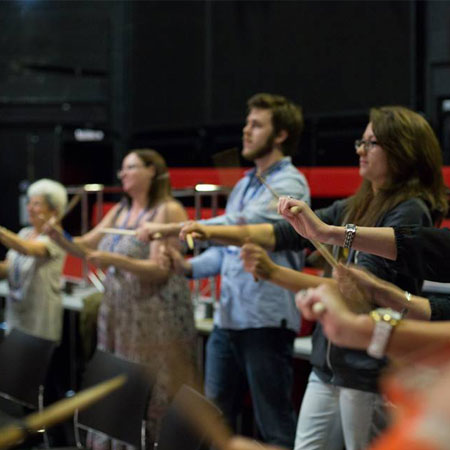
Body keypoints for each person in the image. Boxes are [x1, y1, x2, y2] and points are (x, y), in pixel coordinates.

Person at [179, 106, 448, 450]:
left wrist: (275, 272)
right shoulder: (360, 201)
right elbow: (285, 233)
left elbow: (357, 290)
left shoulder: (410, 209)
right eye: (360, 142)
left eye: (371, 143)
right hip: (330, 364)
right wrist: (206, 231)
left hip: (365, 371)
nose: (360, 151)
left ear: (402, 149)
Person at [138, 93, 310, 447]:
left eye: (256, 124)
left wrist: (181, 228)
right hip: (228, 320)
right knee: (214, 419)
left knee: (273, 423)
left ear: (280, 135)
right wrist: (185, 267)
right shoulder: (247, 182)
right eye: (247, 123)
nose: (246, 131)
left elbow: (241, 226)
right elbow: (225, 252)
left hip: (264, 321)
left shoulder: (289, 184)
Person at [45, 149, 196, 445]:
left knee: (152, 389)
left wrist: (114, 260)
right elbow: (87, 247)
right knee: (120, 382)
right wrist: (59, 236)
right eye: (122, 169)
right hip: (121, 312)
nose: (122, 174)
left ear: (152, 171)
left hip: (154, 315)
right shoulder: (120, 210)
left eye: (130, 168)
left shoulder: (168, 210)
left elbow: (159, 271)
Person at [0, 178, 67, 341]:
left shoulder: (57, 238)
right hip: (15, 314)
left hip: (39, 319)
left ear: (54, 210)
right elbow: (6, 269)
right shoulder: (24, 233)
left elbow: (28, 249)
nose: (29, 208)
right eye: (29, 203)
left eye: (36, 204)